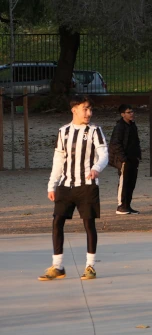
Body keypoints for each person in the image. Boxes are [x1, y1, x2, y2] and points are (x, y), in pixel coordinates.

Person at [39, 95, 108, 281]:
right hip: (65, 185)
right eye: (85, 109)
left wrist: (96, 168)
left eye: (90, 109)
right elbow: (58, 160)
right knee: (57, 222)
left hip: (86, 186)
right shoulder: (63, 132)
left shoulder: (95, 131)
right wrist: (52, 185)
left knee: (88, 224)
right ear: (74, 109)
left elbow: (104, 155)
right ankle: (58, 266)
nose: (89, 113)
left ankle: (90, 266)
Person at [108, 103, 142, 215]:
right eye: (129, 112)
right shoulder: (119, 127)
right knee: (124, 182)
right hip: (124, 159)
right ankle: (121, 206)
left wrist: (137, 156)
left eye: (132, 112)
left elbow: (135, 142)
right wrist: (123, 159)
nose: (131, 114)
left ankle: (127, 205)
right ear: (123, 114)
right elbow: (115, 144)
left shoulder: (133, 125)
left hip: (133, 159)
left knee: (131, 182)